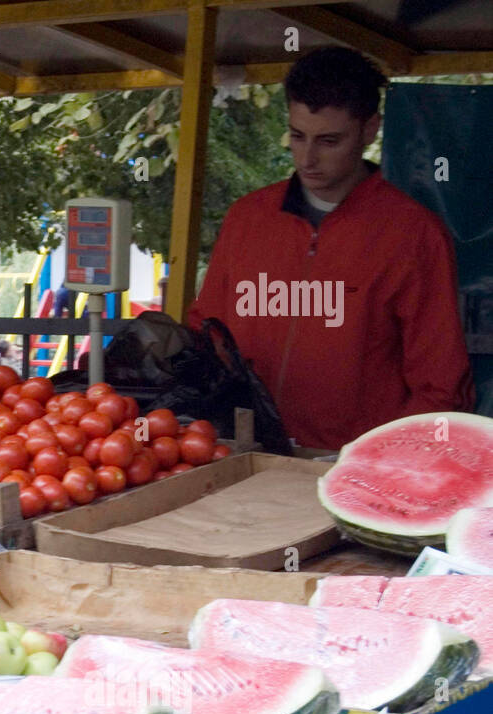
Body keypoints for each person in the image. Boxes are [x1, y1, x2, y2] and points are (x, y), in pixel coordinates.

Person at [187, 47, 473, 450]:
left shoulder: (414, 234)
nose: (308, 158)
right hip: (241, 454)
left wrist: (387, 464)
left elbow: (440, 384)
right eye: (297, 136)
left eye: (329, 140)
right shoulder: (246, 217)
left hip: (353, 464)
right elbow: (208, 333)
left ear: (369, 129)